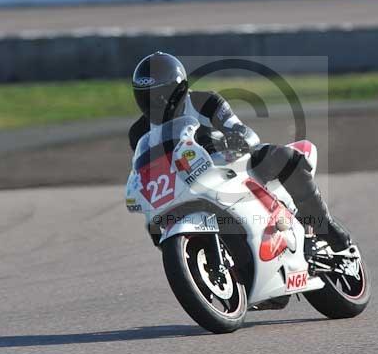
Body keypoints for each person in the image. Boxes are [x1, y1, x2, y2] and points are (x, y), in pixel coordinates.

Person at [128, 51, 352, 250]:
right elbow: (146, 172)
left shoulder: (203, 101)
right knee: (155, 228)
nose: (154, 103)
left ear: (179, 89)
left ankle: (324, 225)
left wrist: (237, 137)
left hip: (227, 164)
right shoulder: (138, 132)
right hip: (183, 186)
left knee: (285, 158)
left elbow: (239, 128)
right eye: (145, 96)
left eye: (159, 94)